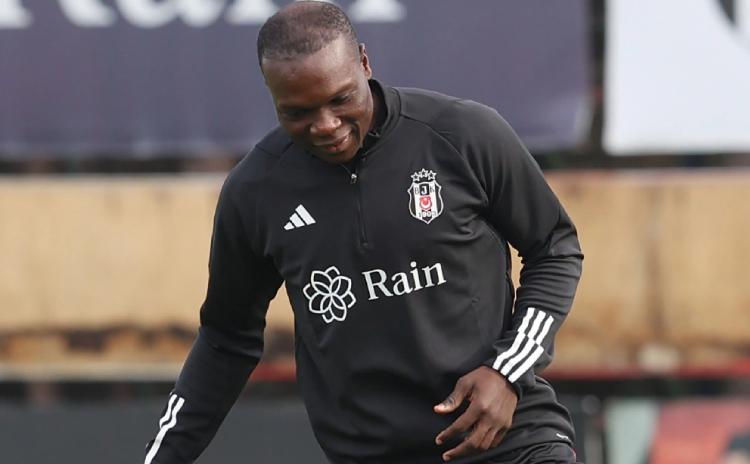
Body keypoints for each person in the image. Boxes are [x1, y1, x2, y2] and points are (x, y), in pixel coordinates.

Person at [143, 2, 583, 463]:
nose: (326, 125)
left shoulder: (461, 134)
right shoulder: (255, 191)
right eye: (298, 112)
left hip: (510, 441)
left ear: (365, 63)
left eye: (340, 99)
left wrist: (507, 370)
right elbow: (226, 340)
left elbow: (554, 248)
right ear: (271, 94)